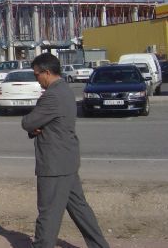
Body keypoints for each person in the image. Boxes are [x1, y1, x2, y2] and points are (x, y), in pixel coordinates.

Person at [22, 53, 109, 248]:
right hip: (67, 160)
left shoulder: (52, 95)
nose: (36, 79)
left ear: (46, 72)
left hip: (54, 164)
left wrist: (33, 126)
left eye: (36, 75)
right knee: (80, 209)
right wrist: (35, 127)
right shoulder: (65, 90)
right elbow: (41, 124)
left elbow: (28, 122)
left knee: (48, 213)